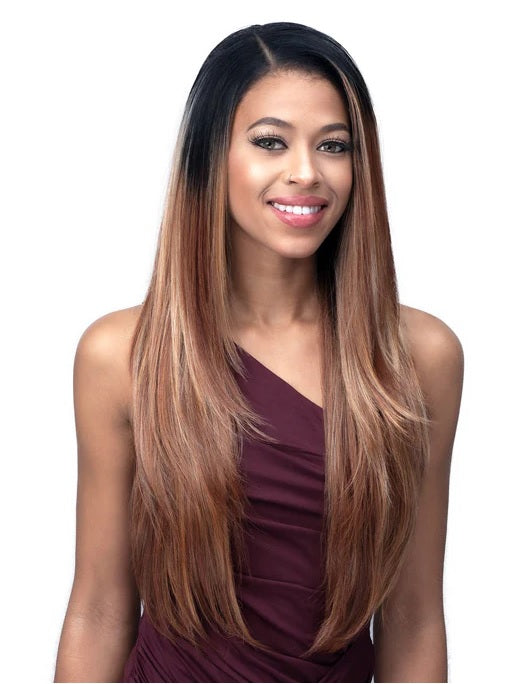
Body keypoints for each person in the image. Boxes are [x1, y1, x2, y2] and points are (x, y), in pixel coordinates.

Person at [53, 21, 464, 683]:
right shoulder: (121, 356)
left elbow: (414, 618)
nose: (306, 172)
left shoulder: (418, 358)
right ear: (211, 156)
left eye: (334, 145)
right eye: (271, 141)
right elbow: (100, 608)